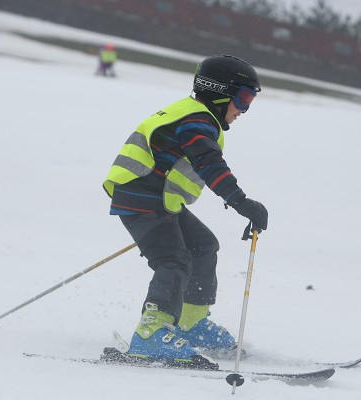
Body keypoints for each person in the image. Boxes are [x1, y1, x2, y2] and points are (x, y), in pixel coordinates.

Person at [102, 54, 268, 367]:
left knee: (203, 246)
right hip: (141, 195)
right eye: (244, 98)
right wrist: (241, 202)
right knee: (173, 260)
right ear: (220, 91)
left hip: (160, 198)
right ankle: (150, 335)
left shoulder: (197, 116)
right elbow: (208, 163)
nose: (244, 110)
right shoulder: (196, 121)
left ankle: (190, 323)